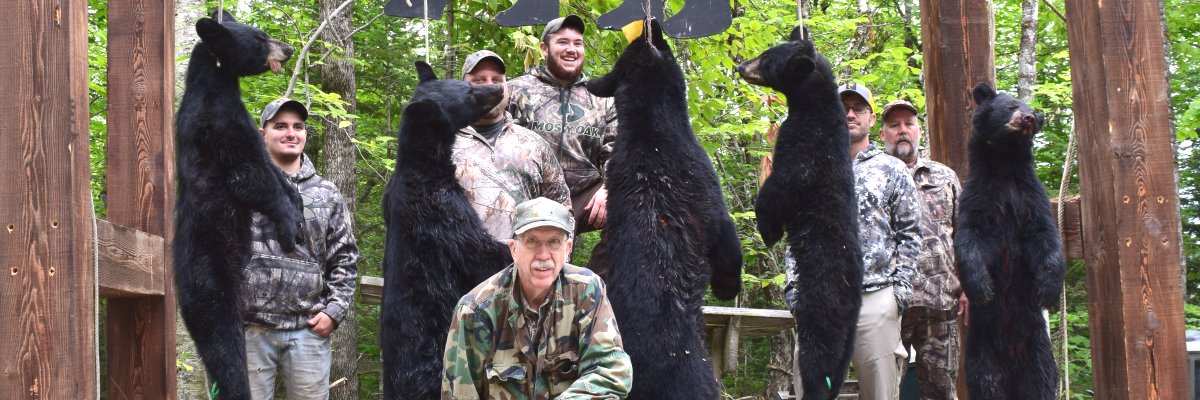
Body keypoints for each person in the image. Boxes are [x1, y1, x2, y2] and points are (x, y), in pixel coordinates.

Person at [441, 197, 632, 399]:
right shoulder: (476, 310)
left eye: (553, 242)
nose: (543, 255)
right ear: (514, 249)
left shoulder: (587, 291)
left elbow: (611, 371)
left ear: (567, 249)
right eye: (532, 241)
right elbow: (459, 394)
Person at [242, 98, 360, 400]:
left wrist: (334, 311)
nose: (291, 133)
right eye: (280, 126)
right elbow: (216, 251)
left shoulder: (327, 194)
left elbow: (345, 259)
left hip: (308, 329)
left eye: (298, 127)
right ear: (261, 133)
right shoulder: (240, 186)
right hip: (249, 329)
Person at [507, 15, 619, 273]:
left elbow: (619, 152)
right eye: (563, 42)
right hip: (527, 193)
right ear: (545, 48)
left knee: (636, 206)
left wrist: (608, 188)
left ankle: (595, 290)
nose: (571, 49)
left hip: (583, 195)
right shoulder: (515, 91)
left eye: (578, 43)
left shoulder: (603, 97)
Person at [838, 83, 922, 400]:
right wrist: (795, 288)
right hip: (822, 300)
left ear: (872, 119)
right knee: (814, 389)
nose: (849, 114)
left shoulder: (891, 169)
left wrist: (897, 295)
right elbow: (798, 233)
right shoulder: (813, 167)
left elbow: (911, 234)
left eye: (858, 108)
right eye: (843, 107)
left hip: (876, 300)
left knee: (881, 394)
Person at [879, 99, 965, 400]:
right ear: (882, 134)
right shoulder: (872, 177)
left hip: (940, 303)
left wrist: (967, 287)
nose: (902, 131)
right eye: (894, 125)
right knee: (883, 392)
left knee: (942, 391)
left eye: (909, 124)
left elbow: (964, 235)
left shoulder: (945, 177)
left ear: (919, 131)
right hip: (888, 305)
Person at [452, 50, 572, 242]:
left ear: (507, 88)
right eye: (479, 81)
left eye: (497, 80)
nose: (490, 87)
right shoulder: (441, 145)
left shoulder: (534, 145)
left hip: (521, 269)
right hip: (456, 269)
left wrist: (556, 264)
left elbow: (562, 211)